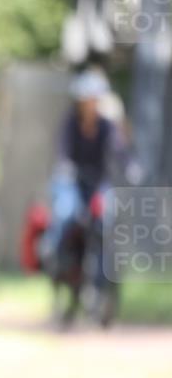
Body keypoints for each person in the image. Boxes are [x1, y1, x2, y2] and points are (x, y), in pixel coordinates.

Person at [39, 68, 135, 277]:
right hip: (71, 181)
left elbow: (118, 149)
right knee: (66, 212)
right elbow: (62, 151)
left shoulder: (106, 126)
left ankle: (105, 276)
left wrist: (131, 167)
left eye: (94, 99)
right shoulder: (70, 123)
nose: (91, 104)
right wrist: (65, 167)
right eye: (87, 99)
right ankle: (52, 248)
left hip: (98, 182)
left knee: (108, 219)